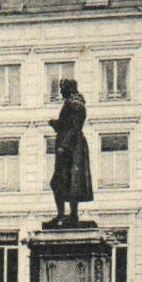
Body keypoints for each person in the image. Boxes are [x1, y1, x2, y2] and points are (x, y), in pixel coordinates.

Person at [47, 79, 93, 227]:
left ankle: (68, 216)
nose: (60, 92)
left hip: (72, 149)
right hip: (70, 148)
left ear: (70, 88)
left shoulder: (75, 104)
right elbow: (68, 125)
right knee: (65, 182)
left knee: (69, 182)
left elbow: (75, 127)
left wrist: (64, 146)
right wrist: (57, 124)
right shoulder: (72, 103)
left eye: (63, 89)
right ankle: (66, 215)